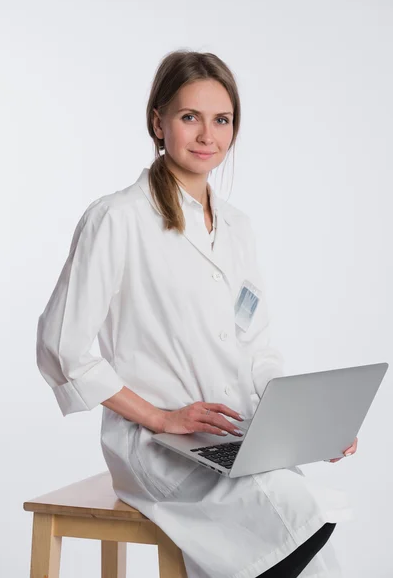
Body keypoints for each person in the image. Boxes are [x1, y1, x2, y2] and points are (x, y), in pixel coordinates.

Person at [36, 49, 357, 578]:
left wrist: (304, 427)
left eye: (222, 120)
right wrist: (161, 417)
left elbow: (257, 351)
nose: (208, 135)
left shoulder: (236, 228)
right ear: (157, 122)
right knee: (292, 512)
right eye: (190, 117)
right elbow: (61, 347)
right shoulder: (117, 219)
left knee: (296, 514)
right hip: (156, 446)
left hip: (233, 438)